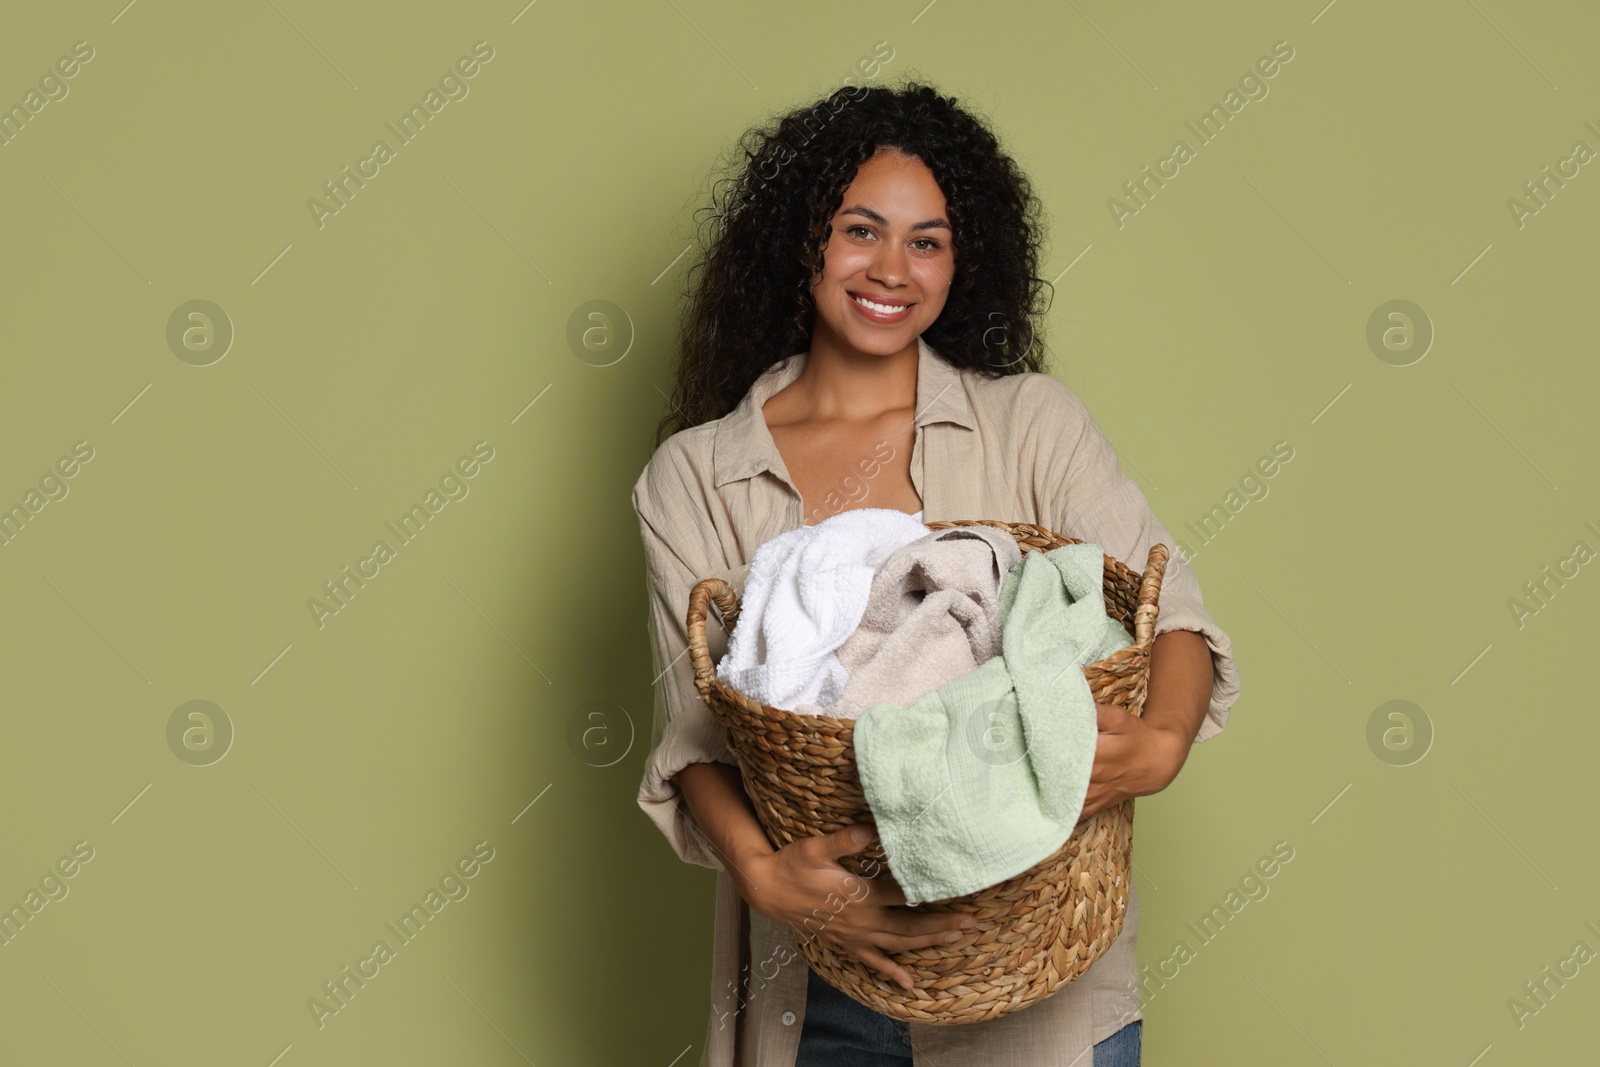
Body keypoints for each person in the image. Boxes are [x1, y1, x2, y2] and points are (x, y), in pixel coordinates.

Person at [631, 78, 1241, 1067]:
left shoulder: (1033, 423)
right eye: (859, 230)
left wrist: (1163, 736)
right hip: (815, 977)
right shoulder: (694, 474)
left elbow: (1170, 618)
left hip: (1036, 983)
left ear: (966, 258)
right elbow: (697, 726)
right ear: (801, 242)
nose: (893, 269)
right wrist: (763, 871)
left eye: (928, 240)